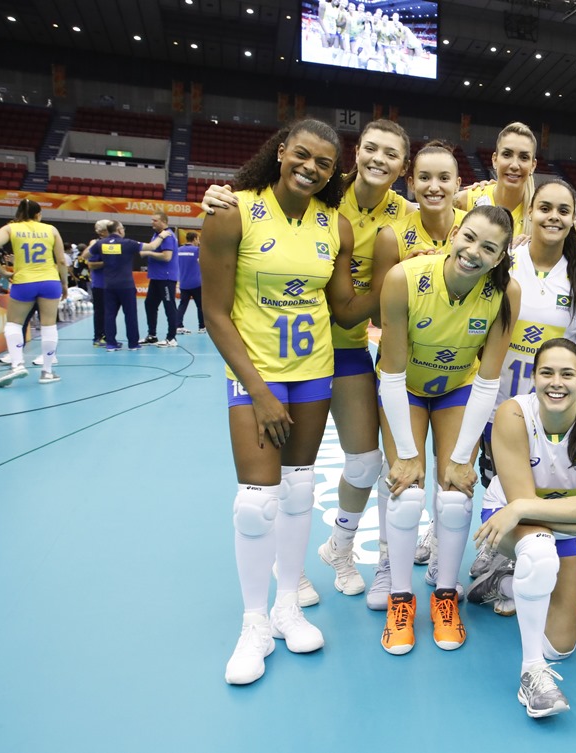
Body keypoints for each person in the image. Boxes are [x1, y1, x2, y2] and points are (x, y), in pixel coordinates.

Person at [201, 119, 416, 612]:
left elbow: (465, 221)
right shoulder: (311, 195)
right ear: (357, 153)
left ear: (403, 167)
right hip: (275, 354)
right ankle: (278, 586)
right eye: (372, 149)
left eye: (393, 154)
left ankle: (336, 551)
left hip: (340, 348)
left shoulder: (404, 214)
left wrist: (403, 276)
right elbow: (220, 294)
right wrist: (215, 196)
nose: (380, 160)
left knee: (358, 465)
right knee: (269, 491)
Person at [376, 204, 520, 656]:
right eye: (470, 238)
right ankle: (400, 600)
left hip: (458, 389)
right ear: (455, 232)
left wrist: (459, 460)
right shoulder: (404, 278)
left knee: (456, 493)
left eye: (489, 248)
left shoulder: (505, 292)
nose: (474, 252)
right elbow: (393, 375)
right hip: (407, 390)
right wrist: (406, 454)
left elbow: (487, 381)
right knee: (408, 488)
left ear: (499, 258)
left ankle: (444, 596)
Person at [469, 338, 576, 717]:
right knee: (540, 551)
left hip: (549, 515)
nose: (556, 382)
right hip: (508, 519)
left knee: (561, 646)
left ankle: (502, 584)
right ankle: (532, 675)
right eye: (546, 372)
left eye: (567, 373)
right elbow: (519, 507)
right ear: (534, 377)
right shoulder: (514, 414)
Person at [470, 181, 576, 588]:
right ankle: (502, 547)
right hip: (497, 397)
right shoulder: (503, 261)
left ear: (573, 219)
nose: (554, 217)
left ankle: (570, 545)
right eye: (545, 207)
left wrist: (574, 409)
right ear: (529, 211)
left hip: (551, 406)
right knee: (497, 477)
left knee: (555, 481)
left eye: (563, 211)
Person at [366, 139, 466, 598]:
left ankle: (445, 572)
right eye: (424, 177)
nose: (433, 186)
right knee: (404, 479)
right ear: (411, 181)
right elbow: (378, 319)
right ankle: (389, 564)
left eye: (444, 177)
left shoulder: (475, 230)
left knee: (453, 485)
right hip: (403, 377)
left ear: (459, 185)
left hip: (458, 378)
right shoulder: (393, 237)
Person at [0, 199, 67, 387]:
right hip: (50, 281)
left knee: (14, 323)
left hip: (24, 281)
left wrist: (2, 271)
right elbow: (61, 260)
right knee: (49, 326)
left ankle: (17, 364)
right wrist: (65, 285)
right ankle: (47, 372)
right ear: (38, 214)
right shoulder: (51, 229)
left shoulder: (10, 228)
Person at [87, 221, 173, 351]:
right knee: (130, 314)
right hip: (125, 285)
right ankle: (133, 344)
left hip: (109, 285)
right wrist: (162, 236)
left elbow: (87, 255)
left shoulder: (100, 244)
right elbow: (151, 246)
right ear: (120, 230)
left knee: (109, 314)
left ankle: (111, 344)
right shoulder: (128, 243)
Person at [455, 122, 537, 237]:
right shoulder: (465, 201)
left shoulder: (539, 215)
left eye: (524, 157)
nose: (514, 165)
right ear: (494, 160)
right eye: (507, 154)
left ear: (533, 166)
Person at [141, 211, 180, 347]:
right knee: (149, 304)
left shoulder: (167, 236)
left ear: (163, 221)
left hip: (166, 277)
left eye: (155, 220)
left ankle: (171, 338)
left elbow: (166, 257)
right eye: (152, 220)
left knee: (169, 306)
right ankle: (152, 335)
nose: (152, 222)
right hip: (156, 277)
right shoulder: (156, 235)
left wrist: (148, 253)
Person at [175, 232, 204, 334]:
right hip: (196, 283)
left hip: (183, 283)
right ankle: (202, 327)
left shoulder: (178, 250)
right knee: (200, 306)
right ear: (195, 239)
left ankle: (178, 326)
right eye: (198, 239)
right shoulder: (197, 250)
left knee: (182, 305)